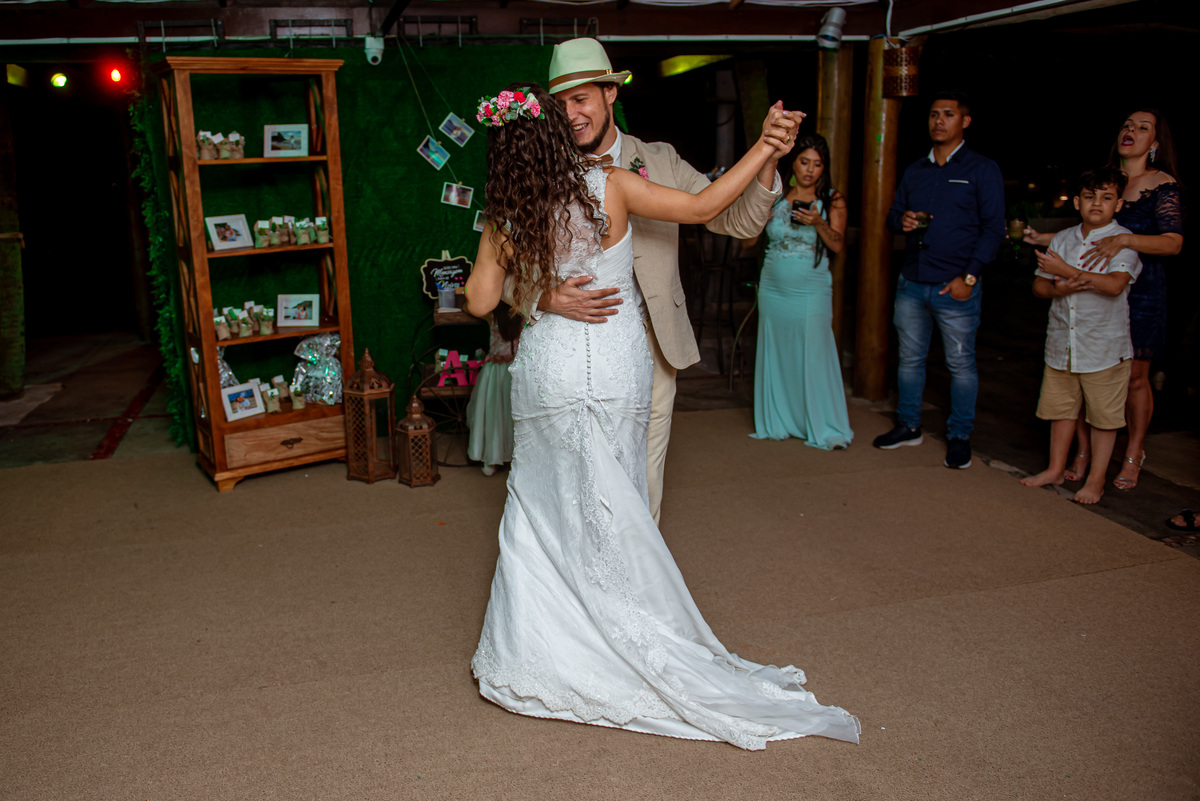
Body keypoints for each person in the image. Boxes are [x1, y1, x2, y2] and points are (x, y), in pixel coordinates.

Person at [464, 83, 858, 750]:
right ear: (556, 139)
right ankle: (621, 628)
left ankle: (542, 651)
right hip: (614, 366)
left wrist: (538, 290)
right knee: (615, 497)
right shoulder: (613, 186)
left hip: (550, 372)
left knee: (538, 506)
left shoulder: (507, 214)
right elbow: (705, 206)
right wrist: (765, 147)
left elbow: (479, 301)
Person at [529, 38, 785, 524]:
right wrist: (544, 297)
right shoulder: (539, 169)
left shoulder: (660, 160)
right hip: (570, 348)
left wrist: (768, 160)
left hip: (650, 343)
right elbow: (502, 273)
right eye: (559, 105)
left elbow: (738, 221)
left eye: (580, 99)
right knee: (574, 472)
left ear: (610, 93)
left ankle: (636, 568)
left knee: (643, 473)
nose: (571, 115)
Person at [1026, 109, 1183, 490]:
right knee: (1083, 371)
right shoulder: (1105, 179)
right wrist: (1044, 240)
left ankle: (1133, 453)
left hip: (1139, 287)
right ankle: (1081, 452)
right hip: (1086, 286)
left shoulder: (1162, 183)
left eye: (1142, 127)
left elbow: (1173, 243)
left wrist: (1124, 239)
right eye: (1127, 125)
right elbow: (1086, 233)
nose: (1131, 130)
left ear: (1155, 142)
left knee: (1134, 377)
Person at [874, 91, 1005, 469]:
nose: (939, 121)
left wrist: (969, 277)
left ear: (965, 121)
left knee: (960, 365)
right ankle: (909, 426)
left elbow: (993, 229)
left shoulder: (982, 169)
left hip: (956, 285)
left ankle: (959, 436)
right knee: (909, 360)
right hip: (913, 281)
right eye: (934, 114)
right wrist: (902, 220)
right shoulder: (916, 169)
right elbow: (892, 216)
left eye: (948, 114)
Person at [1018, 168, 1142, 504]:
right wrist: (1057, 289)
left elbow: (1114, 285)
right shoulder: (1062, 239)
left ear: (1118, 204)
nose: (1097, 203)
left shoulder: (1122, 240)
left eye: (1106, 197)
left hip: (1103, 345)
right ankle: (1055, 469)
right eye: (1089, 196)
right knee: (1061, 410)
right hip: (1062, 342)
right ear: (1077, 202)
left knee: (1103, 418)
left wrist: (1066, 272)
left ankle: (1096, 480)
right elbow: (1040, 285)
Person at [742, 134, 852, 448]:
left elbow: (838, 245)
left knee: (814, 354)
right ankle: (781, 420)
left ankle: (823, 424)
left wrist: (818, 222)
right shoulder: (776, 196)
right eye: (805, 162)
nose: (810, 170)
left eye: (817, 164)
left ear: (824, 168)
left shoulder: (832, 200)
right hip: (773, 289)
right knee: (778, 353)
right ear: (794, 163)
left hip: (811, 291)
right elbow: (747, 242)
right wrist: (760, 216)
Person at [465, 303, 521, 476]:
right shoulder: (523, 314)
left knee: (493, 415)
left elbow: (469, 306)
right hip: (515, 369)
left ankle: (491, 459)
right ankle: (513, 457)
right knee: (512, 416)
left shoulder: (491, 316)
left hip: (496, 371)